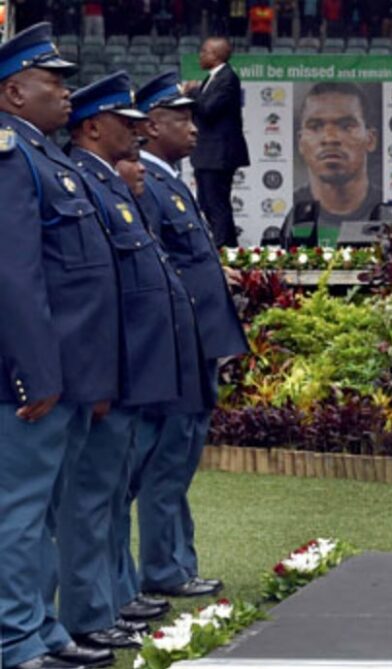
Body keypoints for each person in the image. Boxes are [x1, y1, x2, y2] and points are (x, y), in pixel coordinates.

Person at [61, 70, 196, 654]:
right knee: (88, 501)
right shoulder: (87, 182)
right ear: (94, 128)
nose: (138, 136)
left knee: (112, 494)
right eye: (127, 124)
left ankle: (111, 600)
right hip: (101, 369)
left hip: (128, 367)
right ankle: (86, 612)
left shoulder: (107, 184)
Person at [0, 22, 121, 669]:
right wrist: (36, 375)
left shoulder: (45, 155)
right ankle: (13, 639)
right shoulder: (9, 155)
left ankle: (41, 629)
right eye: (54, 81)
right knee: (17, 515)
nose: (65, 92)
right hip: (30, 383)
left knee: (44, 512)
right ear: (14, 93)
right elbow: (14, 273)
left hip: (67, 378)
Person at [118, 71, 249, 607]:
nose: (195, 130)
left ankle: (174, 563)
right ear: (151, 126)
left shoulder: (168, 177)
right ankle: (163, 568)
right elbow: (152, 261)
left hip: (196, 342)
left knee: (180, 458)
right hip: (174, 344)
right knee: (165, 463)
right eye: (182, 119)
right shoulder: (142, 182)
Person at [286, 82, 381, 246]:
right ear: (301, 143)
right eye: (315, 126)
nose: (330, 139)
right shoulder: (289, 212)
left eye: (346, 126)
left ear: (370, 139)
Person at [183, 37, 250, 248]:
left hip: (218, 155)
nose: (200, 56)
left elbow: (209, 110)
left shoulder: (227, 78)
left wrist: (192, 93)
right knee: (208, 204)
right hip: (207, 154)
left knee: (216, 204)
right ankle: (225, 245)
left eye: (204, 51)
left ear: (216, 55)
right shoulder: (213, 78)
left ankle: (222, 249)